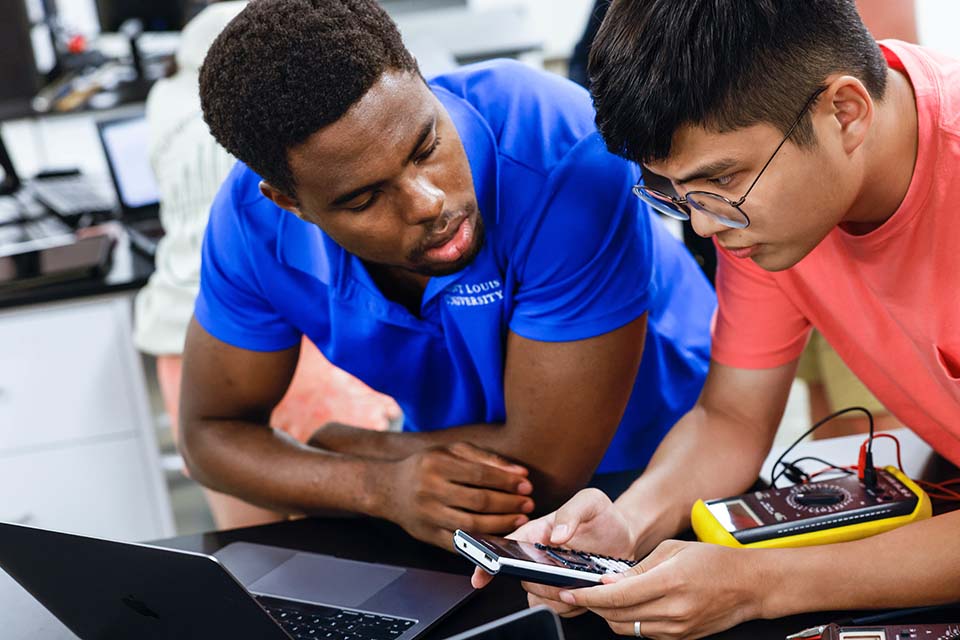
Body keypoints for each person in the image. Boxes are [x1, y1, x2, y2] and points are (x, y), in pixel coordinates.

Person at [474, 0, 960, 636]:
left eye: (720, 180)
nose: (704, 225)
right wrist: (628, 524)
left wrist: (762, 585)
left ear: (844, 112)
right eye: (676, 194)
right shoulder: (766, 210)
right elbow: (732, 416)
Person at [179, 0, 715, 551]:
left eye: (427, 145)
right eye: (365, 198)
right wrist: (375, 486)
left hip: (661, 473)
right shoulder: (250, 225)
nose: (429, 203)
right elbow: (208, 437)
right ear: (291, 203)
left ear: (421, 79)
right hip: (446, 487)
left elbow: (545, 470)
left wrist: (351, 448)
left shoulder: (557, 142)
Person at [132, 0, 400, 529]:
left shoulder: (164, 92)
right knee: (366, 537)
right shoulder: (281, 80)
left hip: (183, 342)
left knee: (257, 555)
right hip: (281, 326)